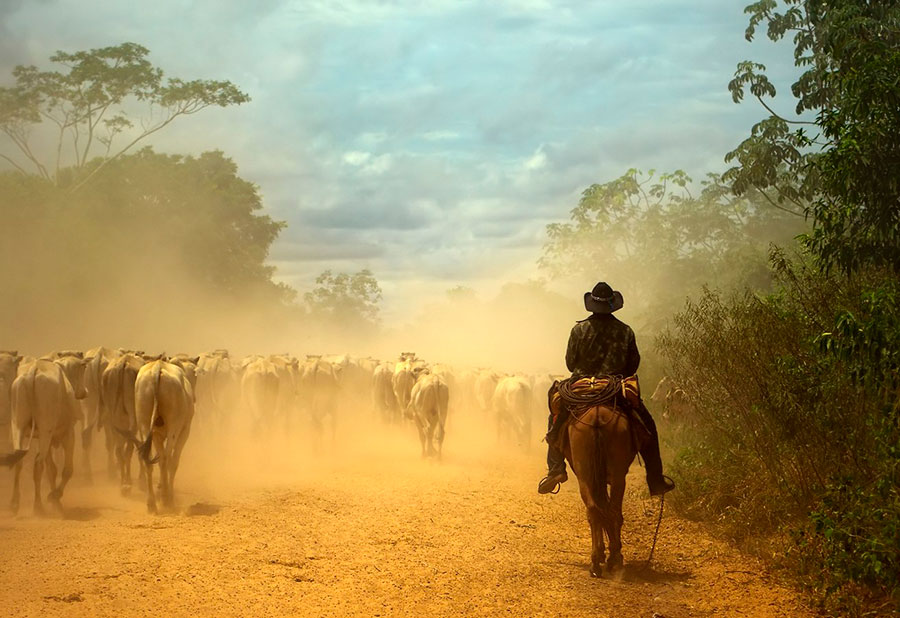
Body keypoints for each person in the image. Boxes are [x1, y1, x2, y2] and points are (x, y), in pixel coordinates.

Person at [537, 281, 676, 497]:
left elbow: (570, 364)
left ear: (591, 304)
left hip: (581, 388)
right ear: (613, 305)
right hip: (614, 389)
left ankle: (556, 469)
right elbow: (632, 365)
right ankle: (655, 479)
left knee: (555, 418)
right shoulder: (626, 331)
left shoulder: (578, 329)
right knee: (647, 425)